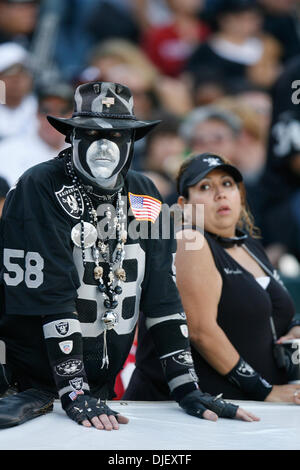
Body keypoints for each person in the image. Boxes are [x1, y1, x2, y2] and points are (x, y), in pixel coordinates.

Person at [0, 81, 257, 430]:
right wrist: (74, 392)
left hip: (100, 393)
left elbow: (163, 298)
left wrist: (187, 389)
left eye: (119, 136)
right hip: (30, 388)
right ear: (71, 137)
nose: (105, 147)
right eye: (91, 133)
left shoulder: (145, 193)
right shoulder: (41, 185)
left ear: (133, 143)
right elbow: (51, 297)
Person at [124, 153, 300, 404]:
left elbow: (271, 309)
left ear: (240, 194)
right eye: (205, 187)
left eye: (227, 184)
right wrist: (264, 391)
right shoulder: (189, 241)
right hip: (183, 415)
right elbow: (200, 332)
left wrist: (293, 327)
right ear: (184, 205)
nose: (220, 194)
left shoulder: (248, 244)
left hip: (244, 412)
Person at [0, 80, 73, 187]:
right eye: (46, 110)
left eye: (62, 111)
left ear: (72, 114)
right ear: (36, 112)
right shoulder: (8, 150)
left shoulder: (79, 149)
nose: (54, 117)